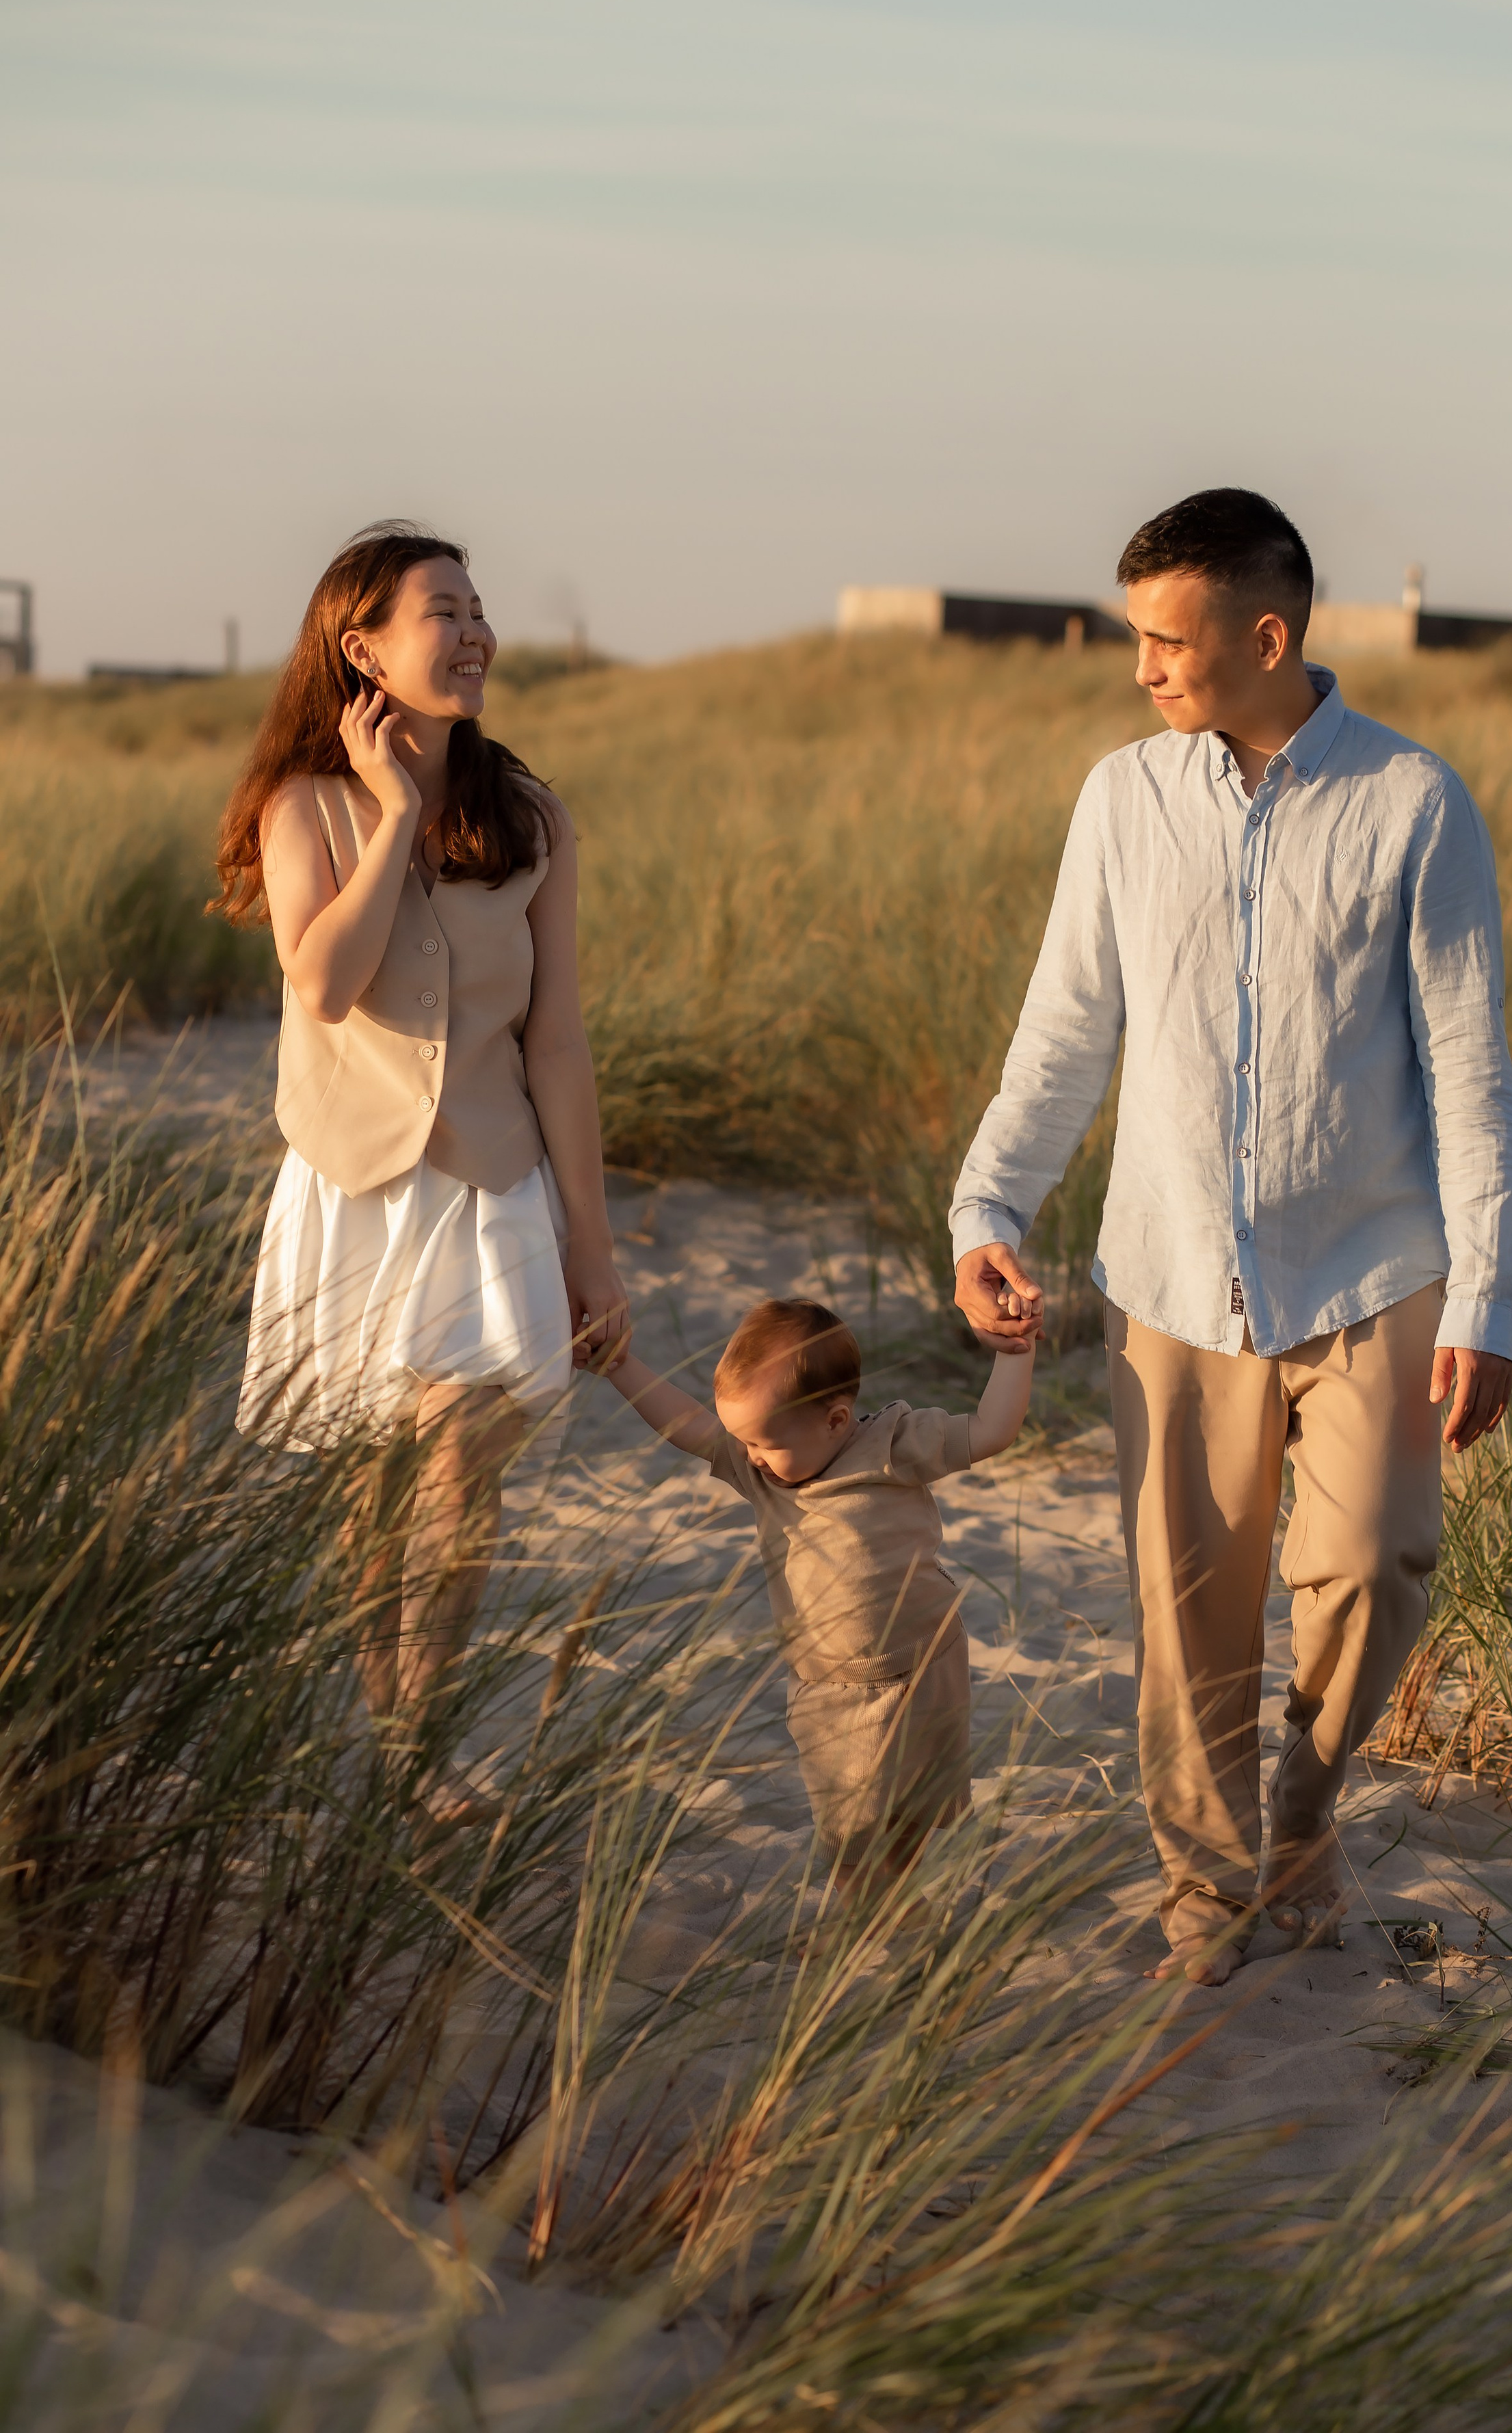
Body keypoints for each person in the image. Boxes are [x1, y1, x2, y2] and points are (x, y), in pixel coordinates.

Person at [949, 488, 1512, 1986]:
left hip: (1375, 1269)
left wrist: (1487, 1301)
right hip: (1171, 1272)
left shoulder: (1412, 802)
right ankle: (1206, 1891)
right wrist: (986, 1204)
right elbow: (1065, 1031)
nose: (1139, 665)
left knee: (1376, 1566)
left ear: (1263, 636)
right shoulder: (1120, 799)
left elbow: (1468, 1070)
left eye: (1164, 638)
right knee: (1187, 1608)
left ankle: (1300, 1808)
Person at [217, 521, 629, 1794]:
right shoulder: (308, 808)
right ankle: (391, 1729)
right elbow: (324, 984)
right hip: (352, 1185)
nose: (473, 633)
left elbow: (555, 1045)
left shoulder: (536, 819)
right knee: (375, 1485)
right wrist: (393, 814)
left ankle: (416, 1746)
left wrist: (592, 1247)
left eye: (477, 608)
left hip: (490, 1182)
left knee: (459, 1458)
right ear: (365, 647)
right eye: (441, 611)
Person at [603, 1297, 1035, 1897]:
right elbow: (690, 1427)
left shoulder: (892, 1446)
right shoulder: (761, 1474)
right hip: (835, 1688)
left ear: (835, 1420)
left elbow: (992, 1432)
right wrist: (621, 1366)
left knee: (912, 1812)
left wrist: (1015, 1354)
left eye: (763, 1443)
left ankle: (897, 1907)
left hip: (929, 1663)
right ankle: (858, 1923)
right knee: (852, 1829)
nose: (750, 1458)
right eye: (744, 1443)